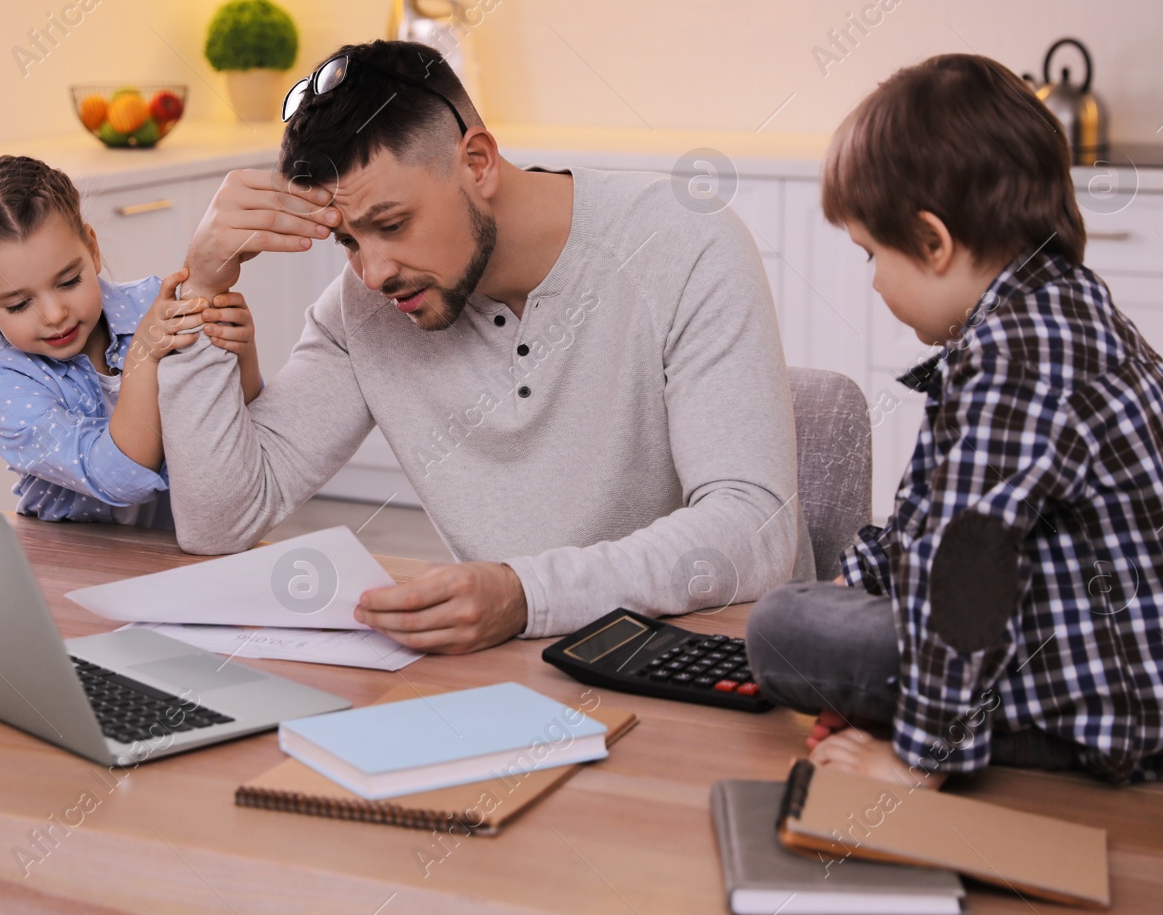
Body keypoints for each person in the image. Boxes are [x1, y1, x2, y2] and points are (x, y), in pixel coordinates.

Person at [160, 39, 814, 653]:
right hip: (523, 673)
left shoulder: (683, 244)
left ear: (478, 162)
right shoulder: (367, 311)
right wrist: (204, 280)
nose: (374, 271)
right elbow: (217, 520)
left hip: (710, 665)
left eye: (392, 223)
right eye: (350, 240)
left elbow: (753, 530)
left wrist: (526, 596)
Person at [746, 54, 1163, 785]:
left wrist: (917, 762)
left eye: (872, 253)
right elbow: (941, 515)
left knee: (782, 629)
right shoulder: (1068, 311)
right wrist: (864, 574)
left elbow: (967, 571)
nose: (871, 280)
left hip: (1133, 704)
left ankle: (1012, 737)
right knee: (838, 601)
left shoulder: (1010, 363)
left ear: (934, 243)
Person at [0, 154, 261, 527]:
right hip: (76, 558)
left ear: (92, 249)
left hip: (192, 538)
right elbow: (120, 476)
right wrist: (144, 354)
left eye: (69, 281)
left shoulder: (154, 303)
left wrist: (241, 351)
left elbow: (240, 421)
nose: (54, 314)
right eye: (20, 303)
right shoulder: (0, 388)